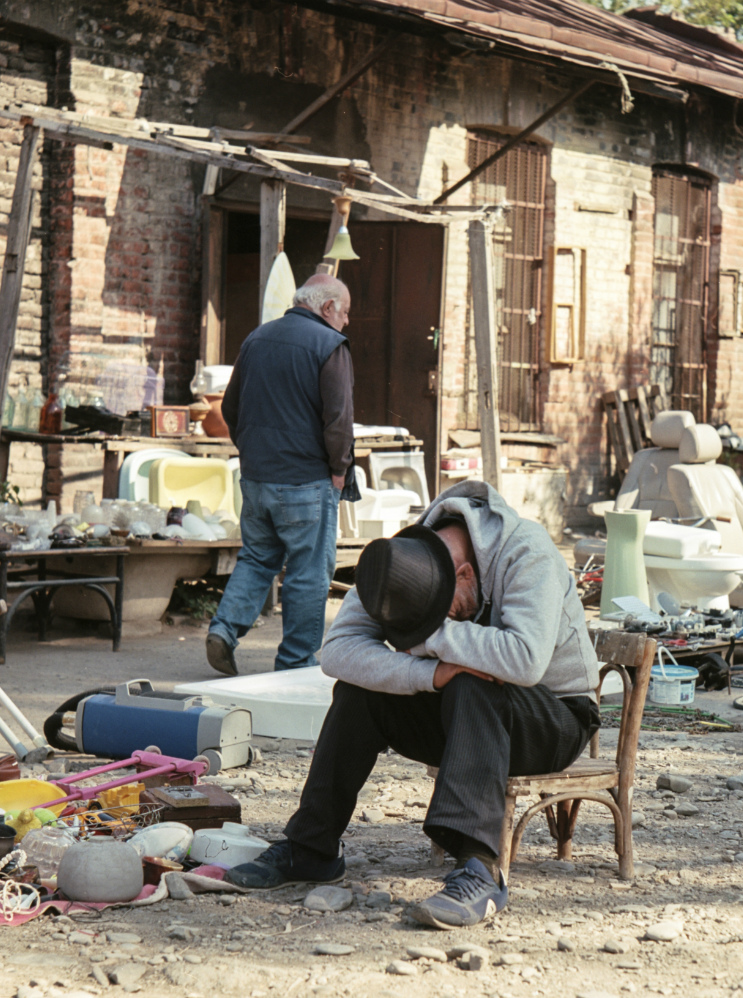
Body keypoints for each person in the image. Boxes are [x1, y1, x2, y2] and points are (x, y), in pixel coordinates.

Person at [224, 481, 601, 930]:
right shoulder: (403, 563)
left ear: (464, 574)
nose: (432, 630)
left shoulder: (525, 550)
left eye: (445, 612)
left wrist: (433, 639)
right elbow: (338, 652)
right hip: (462, 715)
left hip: (555, 717)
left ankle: (481, 869)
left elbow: (525, 659)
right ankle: (311, 848)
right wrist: (431, 673)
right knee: (360, 689)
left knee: (476, 683)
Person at [206, 274, 355, 675]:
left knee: (257, 558)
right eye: (344, 313)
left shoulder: (256, 338)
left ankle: (223, 629)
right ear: (327, 308)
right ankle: (295, 662)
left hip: (257, 477)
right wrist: (339, 469)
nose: (346, 322)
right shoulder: (330, 345)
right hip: (307, 480)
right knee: (309, 571)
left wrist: (254, 454)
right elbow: (339, 420)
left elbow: (230, 410)